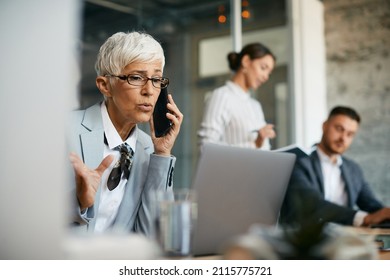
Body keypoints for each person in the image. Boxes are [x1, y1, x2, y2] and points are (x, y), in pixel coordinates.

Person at [66, 31, 183, 236]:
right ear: (105, 86)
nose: (149, 90)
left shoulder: (149, 149)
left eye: (156, 79)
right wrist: (79, 202)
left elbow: (152, 236)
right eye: (136, 78)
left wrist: (162, 154)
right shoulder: (65, 131)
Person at [280, 106, 390, 227]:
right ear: (324, 125)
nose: (343, 138)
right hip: (303, 240)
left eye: (350, 134)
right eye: (339, 129)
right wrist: (364, 218)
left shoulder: (353, 169)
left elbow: (373, 207)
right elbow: (311, 205)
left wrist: (385, 216)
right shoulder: (298, 161)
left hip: (342, 241)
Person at [197, 42, 276, 149]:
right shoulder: (221, 96)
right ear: (246, 61)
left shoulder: (255, 106)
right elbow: (206, 147)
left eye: (269, 73)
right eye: (263, 68)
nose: (266, 77)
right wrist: (254, 144)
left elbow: (263, 148)